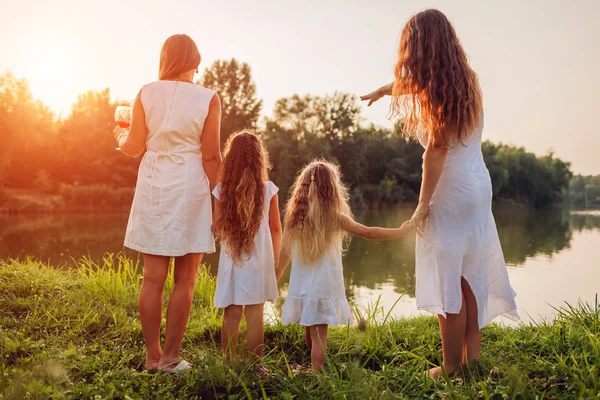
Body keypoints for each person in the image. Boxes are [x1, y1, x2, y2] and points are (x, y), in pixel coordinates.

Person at [361, 9, 519, 378]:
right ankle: (472, 361)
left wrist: (421, 205)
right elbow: (416, 85)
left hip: (449, 191)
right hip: (477, 186)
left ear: (417, 48)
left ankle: (450, 368)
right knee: (470, 275)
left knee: (447, 277)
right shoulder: (465, 81)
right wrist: (386, 89)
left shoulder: (437, 91)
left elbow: (437, 150)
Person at [112, 33, 222, 374]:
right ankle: (172, 358)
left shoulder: (146, 92)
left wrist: (118, 135)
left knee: (152, 278)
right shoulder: (209, 98)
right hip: (191, 184)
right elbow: (212, 156)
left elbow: (133, 148)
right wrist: (218, 204)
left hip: (154, 184)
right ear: (195, 61)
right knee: (185, 279)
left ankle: (152, 357)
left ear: (165, 59)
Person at [277, 160, 414, 372]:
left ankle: (313, 366)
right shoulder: (335, 217)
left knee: (310, 329)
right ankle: (317, 374)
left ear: (302, 189)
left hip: (301, 286)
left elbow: (285, 252)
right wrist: (400, 231)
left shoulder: (295, 218)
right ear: (331, 190)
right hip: (323, 286)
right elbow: (367, 232)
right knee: (319, 334)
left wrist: (274, 278)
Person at [212, 131, 282, 365]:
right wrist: (275, 259)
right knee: (255, 314)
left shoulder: (222, 190)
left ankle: (229, 363)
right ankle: (256, 366)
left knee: (231, 313)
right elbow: (276, 229)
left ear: (230, 158)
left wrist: (235, 230)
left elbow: (217, 225)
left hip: (232, 258)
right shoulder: (268, 189)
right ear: (261, 158)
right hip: (260, 259)